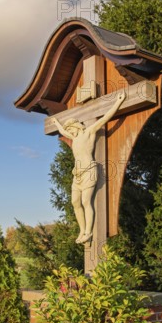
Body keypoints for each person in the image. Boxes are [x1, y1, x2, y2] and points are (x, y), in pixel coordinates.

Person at [51, 91, 126, 244]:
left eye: (71, 129)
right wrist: (56, 123)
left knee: (86, 202)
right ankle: (82, 230)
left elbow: (105, 118)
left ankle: (88, 232)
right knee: (75, 202)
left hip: (89, 171)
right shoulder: (74, 137)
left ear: (76, 127)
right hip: (77, 174)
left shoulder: (89, 132)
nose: (69, 133)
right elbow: (63, 131)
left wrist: (117, 102)